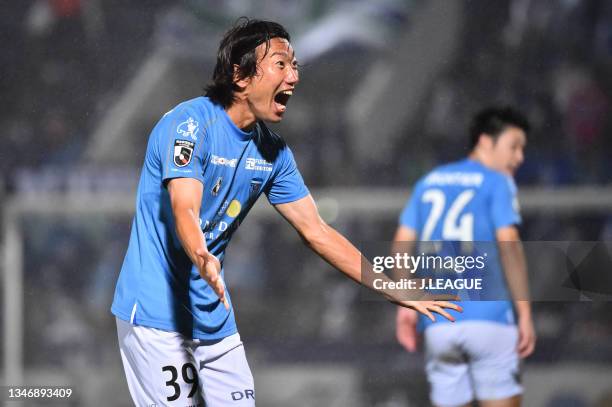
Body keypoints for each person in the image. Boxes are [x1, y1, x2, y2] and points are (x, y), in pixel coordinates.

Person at [111, 18, 460, 407]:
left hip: (215, 321)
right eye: (281, 64)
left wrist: (390, 287)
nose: (293, 76)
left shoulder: (274, 154)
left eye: (295, 65)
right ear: (241, 75)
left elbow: (317, 231)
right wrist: (201, 254)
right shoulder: (188, 125)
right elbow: (184, 207)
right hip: (159, 316)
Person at [394, 107, 536, 407]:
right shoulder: (497, 182)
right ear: (485, 141)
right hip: (491, 319)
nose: (519, 157)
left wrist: (406, 304)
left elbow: (401, 244)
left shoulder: (429, 182)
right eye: (514, 146)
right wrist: (524, 313)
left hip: (439, 324)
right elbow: (509, 243)